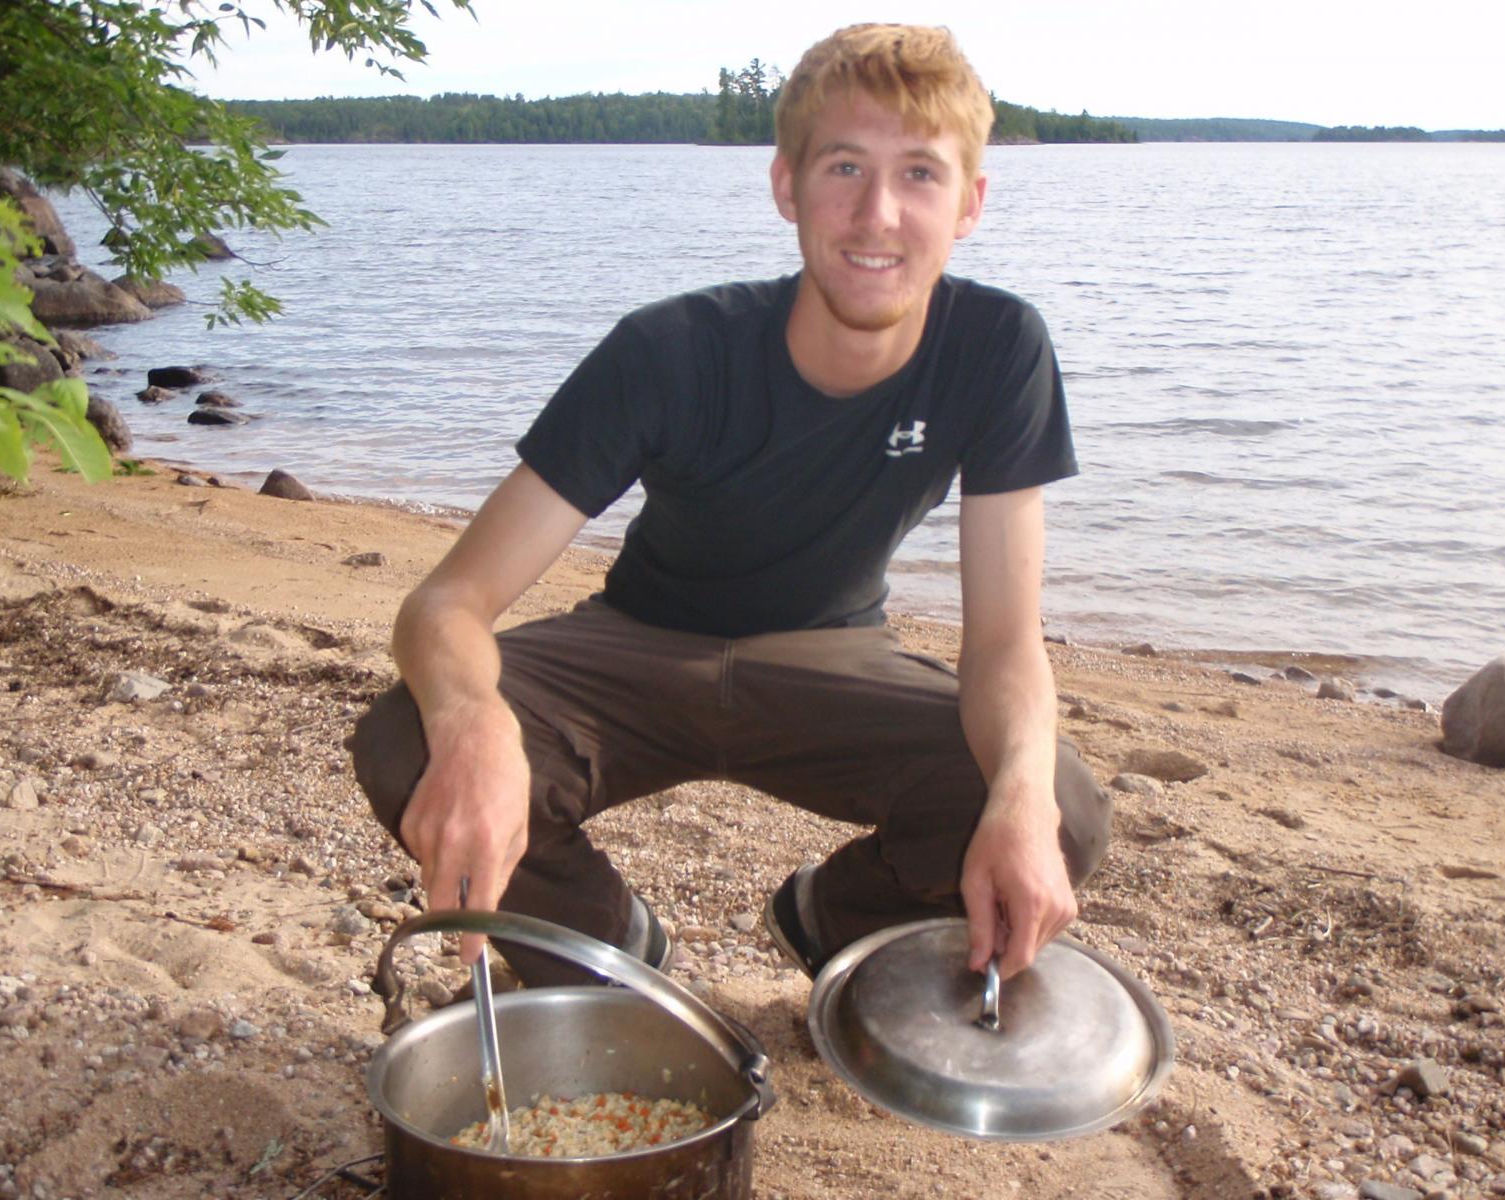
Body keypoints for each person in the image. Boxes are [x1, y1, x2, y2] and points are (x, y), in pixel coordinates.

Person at [349, 22, 1110, 989]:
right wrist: (474, 724)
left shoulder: (998, 348)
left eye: (919, 173)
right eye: (844, 167)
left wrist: (1020, 803)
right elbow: (446, 604)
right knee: (411, 741)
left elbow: (1003, 643)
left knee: (1056, 805)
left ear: (970, 202)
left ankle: (832, 923)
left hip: (833, 658)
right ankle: (613, 956)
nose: (877, 214)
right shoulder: (669, 351)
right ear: (787, 185)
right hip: (636, 648)